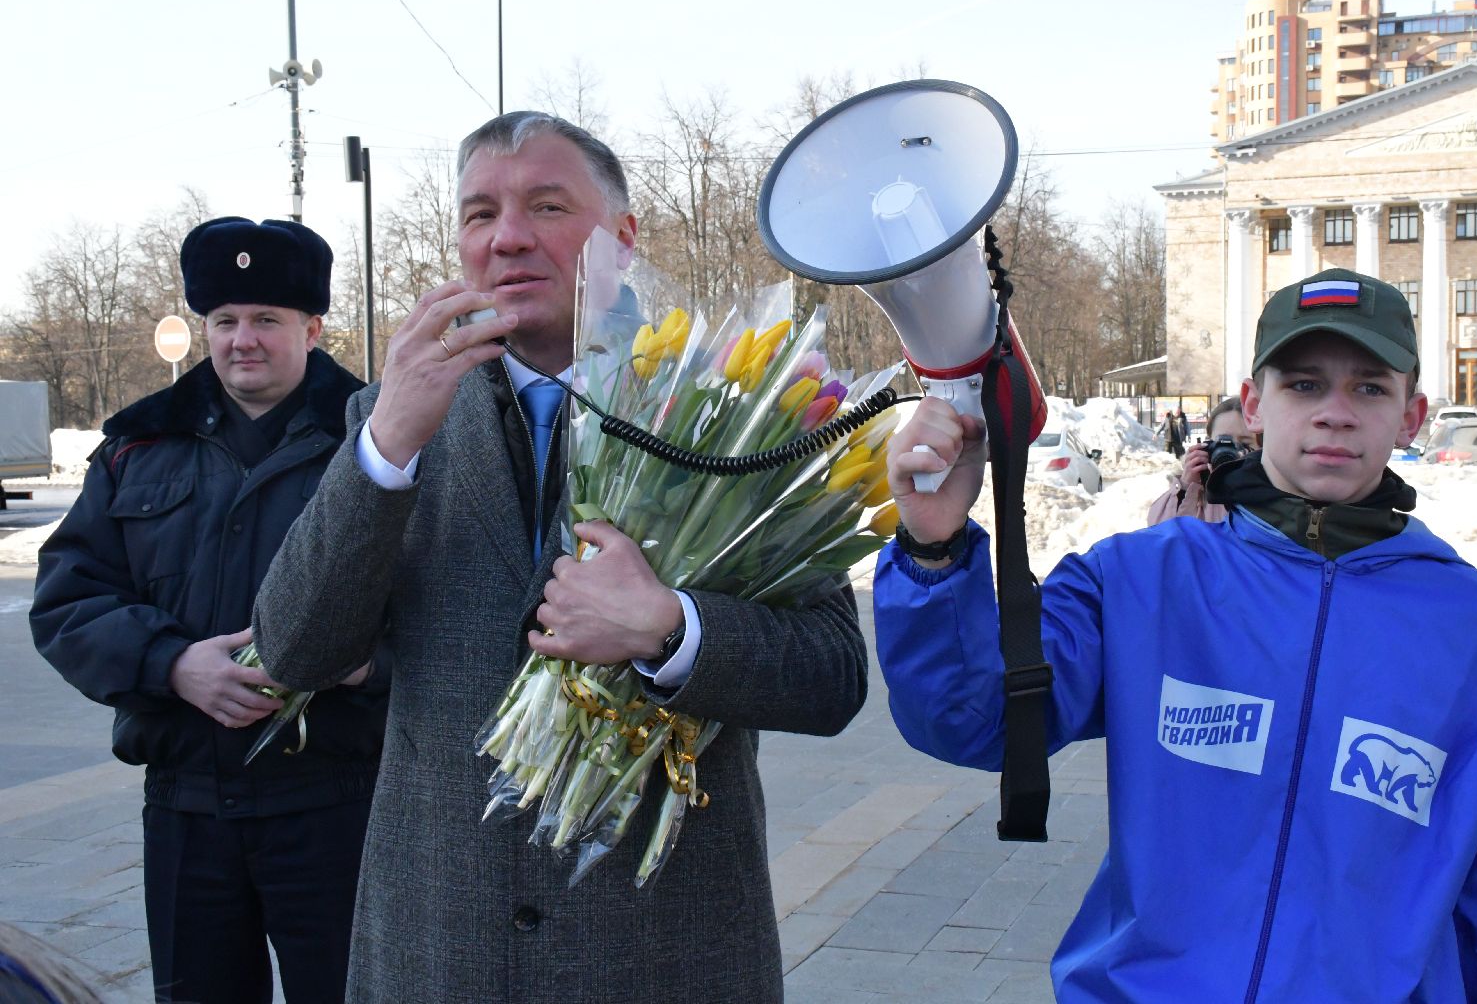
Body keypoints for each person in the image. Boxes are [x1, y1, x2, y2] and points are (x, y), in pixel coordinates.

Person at [249, 112, 867, 1003]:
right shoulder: (392, 415)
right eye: (479, 214)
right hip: (441, 952)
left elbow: (832, 675)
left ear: (624, 236)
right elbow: (295, 649)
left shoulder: (736, 405)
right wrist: (387, 445)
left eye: (546, 206)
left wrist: (671, 630)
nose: (507, 238)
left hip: (662, 958)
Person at [873, 267, 1477, 1001]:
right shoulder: (1142, 582)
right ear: (1254, 405)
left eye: (1370, 388)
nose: (1335, 414)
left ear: (1412, 416)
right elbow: (970, 720)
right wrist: (934, 548)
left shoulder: (1474, 633)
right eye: (1304, 385)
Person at [31, 218, 383, 1004]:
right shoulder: (139, 446)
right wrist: (172, 664)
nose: (242, 340)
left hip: (339, 805)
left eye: (266, 319)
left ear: (313, 329)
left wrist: (364, 664)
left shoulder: (377, 443)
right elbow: (67, 600)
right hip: (187, 809)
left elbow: (446, 605)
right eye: (224, 320)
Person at [1146, 395, 1258, 525]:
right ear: (1208, 445)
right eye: (1223, 442)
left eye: (1244, 443)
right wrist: (1186, 487)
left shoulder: (1270, 489)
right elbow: (1160, 529)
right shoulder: (1200, 489)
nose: (1232, 452)